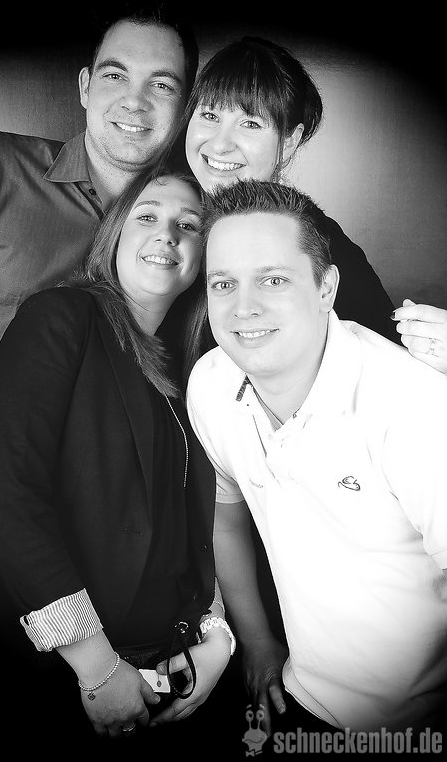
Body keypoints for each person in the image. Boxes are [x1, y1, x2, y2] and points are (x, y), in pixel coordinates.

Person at [0, 168, 235, 754]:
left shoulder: (197, 368)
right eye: (147, 216)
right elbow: (15, 494)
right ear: (114, 233)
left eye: (189, 225)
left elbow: (201, 523)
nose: (167, 234)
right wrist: (96, 667)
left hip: (158, 668)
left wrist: (217, 637)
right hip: (43, 668)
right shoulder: (61, 317)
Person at [0, 0, 199, 629]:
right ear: (85, 86)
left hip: (95, 577)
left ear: (183, 109)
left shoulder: (184, 237)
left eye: (162, 85)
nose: (135, 101)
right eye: (116, 75)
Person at [186, 178, 447, 739]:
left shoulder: (414, 406)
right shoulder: (211, 383)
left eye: (273, 279)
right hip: (299, 697)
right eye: (223, 283)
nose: (244, 307)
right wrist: (256, 639)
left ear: (326, 287)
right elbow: (225, 512)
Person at [177, 35, 447, 366]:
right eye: (209, 116)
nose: (220, 144)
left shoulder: (320, 245)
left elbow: (389, 366)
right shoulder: (167, 222)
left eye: (250, 123)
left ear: (289, 142)